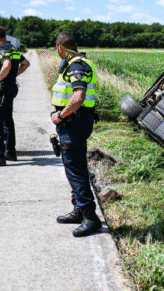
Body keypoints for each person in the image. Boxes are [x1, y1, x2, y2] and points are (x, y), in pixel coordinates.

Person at [50, 31, 102, 237]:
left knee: (76, 169)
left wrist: (60, 116)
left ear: (61, 48)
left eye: (57, 49)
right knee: (73, 166)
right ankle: (79, 210)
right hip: (74, 122)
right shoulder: (77, 63)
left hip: (74, 122)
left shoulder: (77, 66)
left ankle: (90, 217)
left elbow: (78, 97)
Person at [0, 26, 30, 166]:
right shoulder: (14, 49)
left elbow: (7, 64)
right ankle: (10, 152)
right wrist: (12, 76)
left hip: (1, 91)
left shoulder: (2, 49)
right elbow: (26, 63)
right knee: (8, 120)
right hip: (10, 89)